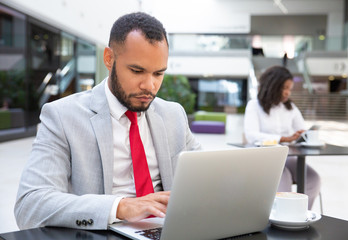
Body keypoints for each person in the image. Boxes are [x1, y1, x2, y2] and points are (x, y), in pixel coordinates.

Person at [14, 12, 201, 230]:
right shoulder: (62, 116)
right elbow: (30, 205)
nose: (149, 86)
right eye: (137, 71)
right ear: (109, 59)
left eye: (158, 74)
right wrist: (119, 207)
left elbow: (207, 179)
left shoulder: (173, 115)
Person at [243, 66, 321, 209]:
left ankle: (302, 214)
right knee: (283, 178)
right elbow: (252, 136)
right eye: (284, 88)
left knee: (313, 179)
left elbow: (300, 129)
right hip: (265, 158)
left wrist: (309, 137)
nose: (287, 92)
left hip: (288, 157)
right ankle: (284, 217)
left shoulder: (290, 107)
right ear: (273, 85)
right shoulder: (254, 106)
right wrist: (284, 139)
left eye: (290, 89)